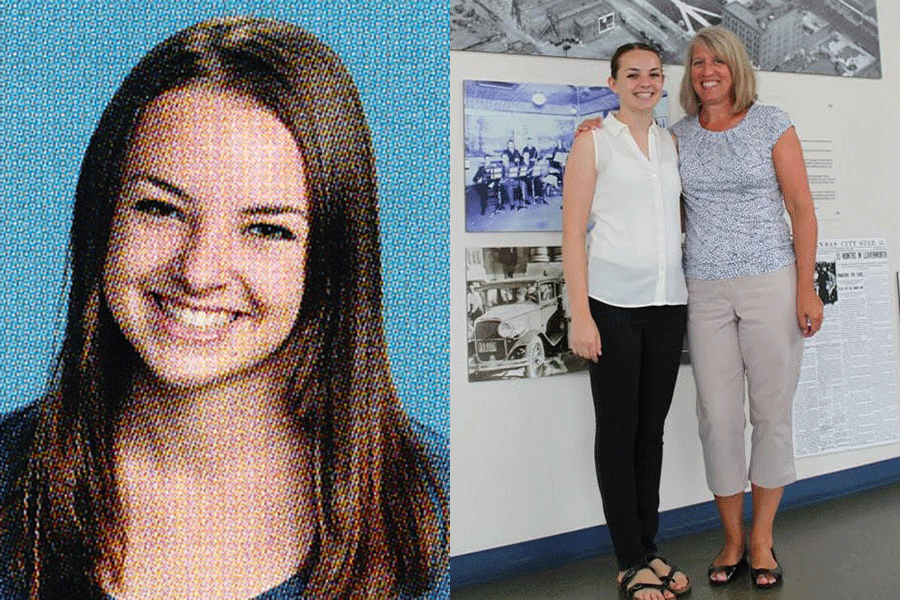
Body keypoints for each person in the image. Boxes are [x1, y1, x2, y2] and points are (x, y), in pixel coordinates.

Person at [0, 17, 447, 599]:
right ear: (102, 214)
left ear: (330, 260)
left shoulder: (433, 506)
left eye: (266, 229)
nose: (199, 271)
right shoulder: (9, 473)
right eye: (160, 209)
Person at [578, 25, 822, 590]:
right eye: (698, 62)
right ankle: (732, 537)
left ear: (737, 67)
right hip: (703, 291)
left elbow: (802, 209)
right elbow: (645, 181)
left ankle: (761, 539)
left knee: (771, 413)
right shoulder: (678, 135)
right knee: (716, 418)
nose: (708, 70)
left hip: (770, 281)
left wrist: (805, 288)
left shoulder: (772, 123)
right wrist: (591, 129)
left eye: (718, 61)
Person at [562, 43, 691, 600]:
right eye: (633, 74)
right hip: (612, 305)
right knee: (617, 432)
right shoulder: (593, 141)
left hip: (668, 304)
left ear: (664, 82)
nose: (645, 82)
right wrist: (580, 316)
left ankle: (650, 547)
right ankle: (628, 562)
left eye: (654, 74)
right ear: (611, 82)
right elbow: (571, 235)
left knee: (652, 432)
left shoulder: (670, 142)